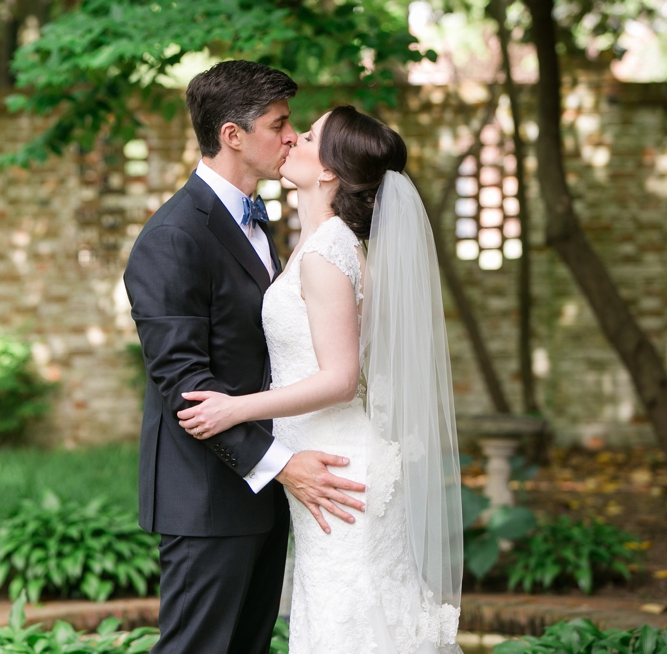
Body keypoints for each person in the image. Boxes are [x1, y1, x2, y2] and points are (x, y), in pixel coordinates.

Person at [177, 106, 465, 654]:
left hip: (337, 468)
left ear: (329, 170)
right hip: (324, 458)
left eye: (307, 135)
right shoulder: (322, 247)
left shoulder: (327, 254)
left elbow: (339, 378)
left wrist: (237, 408)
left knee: (347, 623)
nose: (291, 139)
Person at [123, 61, 368, 654]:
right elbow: (185, 386)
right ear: (233, 135)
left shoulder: (266, 224)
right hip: (207, 495)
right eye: (279, 123)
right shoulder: (174, 238)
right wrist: (283, 464)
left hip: (267, 493)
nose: (291, 136)